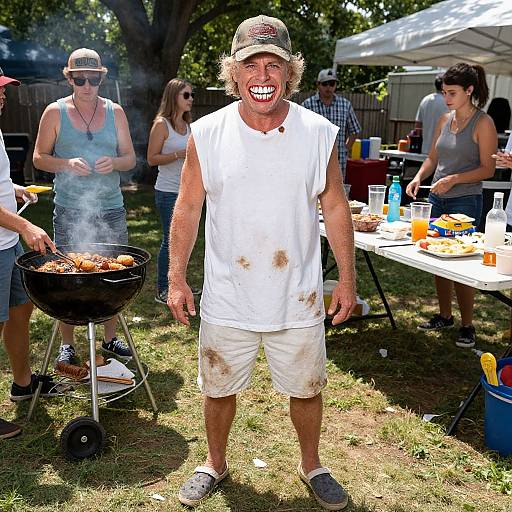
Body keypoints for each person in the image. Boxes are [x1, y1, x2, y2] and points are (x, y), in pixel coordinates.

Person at [168, 14, 356, 510]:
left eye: (274, 66)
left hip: (299, 291)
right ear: (235, 74)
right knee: (218, 385)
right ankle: (214, 463)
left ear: (291, 74)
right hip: (229, 290)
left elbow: (334, 206)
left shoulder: (319, 133)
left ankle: (312, 464)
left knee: (307, 386)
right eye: (252, 66)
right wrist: (176, 277)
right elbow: (188, 206)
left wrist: (348, 281)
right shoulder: (206, 134)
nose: (263, 77)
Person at [32, 48, 136, 367]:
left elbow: (131, 159)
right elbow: (38, 157)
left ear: (101, 78)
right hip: (70, 209)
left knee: (112, 275)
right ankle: (67, 344)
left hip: (110, 208)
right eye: (80, 80)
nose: (87, 86)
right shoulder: (55, 112)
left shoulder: (116, 112)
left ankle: (109, 339)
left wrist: (115, 163)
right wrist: (65, 163)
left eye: (93, 79)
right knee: (68, 278)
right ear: (70, 79)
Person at [406, 63, 497, 348]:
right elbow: (433, 157)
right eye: (444, 92)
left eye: (452, 93)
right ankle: (445, 315)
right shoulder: (445, 119)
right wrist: (419, 176)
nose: (446, 98)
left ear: (469, 91)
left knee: (461, 265)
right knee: (437, 259)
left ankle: (467, 325)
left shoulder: (483, 123)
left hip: (465, 199)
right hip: (437, 197)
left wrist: (455, 179)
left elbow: (488, 169)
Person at [0, 67, 59, 439]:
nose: (2, 97)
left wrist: (15, 189)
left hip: (7, 243)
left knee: (22, 309)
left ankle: (23, 384)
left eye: (3, 90)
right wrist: (24, 224)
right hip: (5, 239)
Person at [147, 78, 193, 305]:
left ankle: (180, 284)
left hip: (186, 191)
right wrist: (178, 154)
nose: (191, 99)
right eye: (186, 95)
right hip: (166, 192)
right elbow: (151, 158)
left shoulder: (189, 125)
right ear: (174, 96)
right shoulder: (161, 125)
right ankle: (163, 289)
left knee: (186, 240)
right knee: (170, 240)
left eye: (191, 95)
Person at [302, 68, 361, 180]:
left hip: (339, 160)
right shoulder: (307, 105)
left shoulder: (345, 105)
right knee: (313, 194)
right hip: (314, 159)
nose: (328, 87)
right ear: (318, 85)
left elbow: (355, 130)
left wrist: (345, 149)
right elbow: (299, 133)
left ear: (336, 85)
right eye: (325, 84)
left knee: (337, 194)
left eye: (332, 83)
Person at [415, 74, 449, 155]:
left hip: (425, 149)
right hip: (441, 152)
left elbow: (417, 125)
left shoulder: (425, 100)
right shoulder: (448, 102)